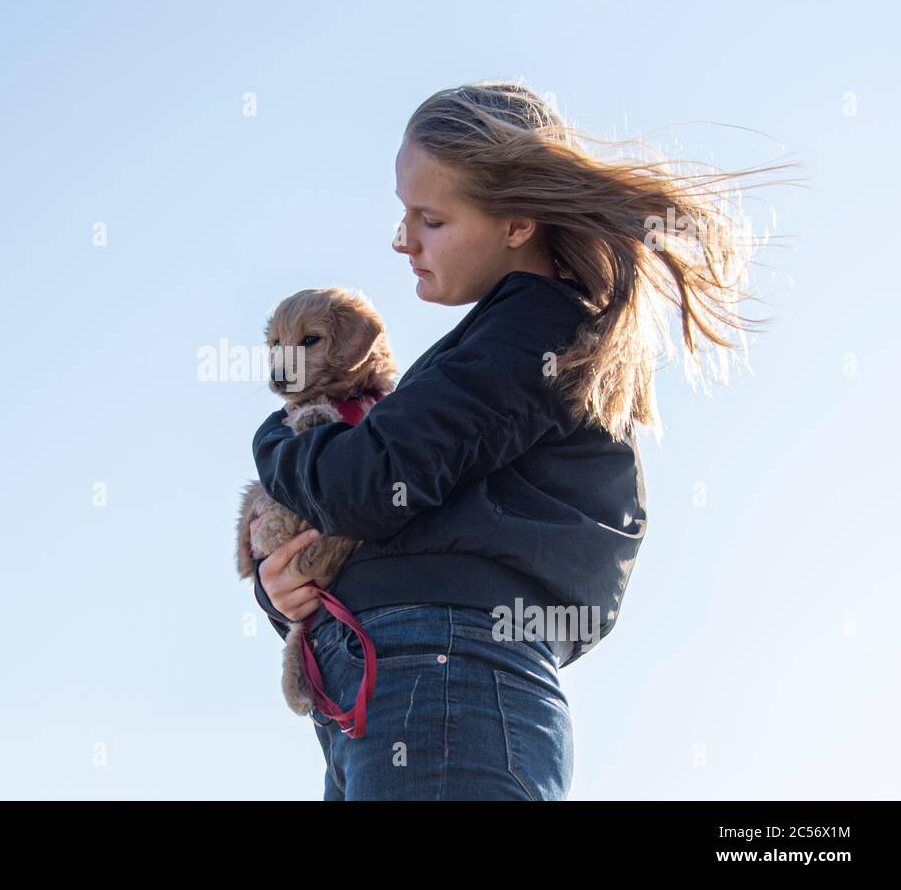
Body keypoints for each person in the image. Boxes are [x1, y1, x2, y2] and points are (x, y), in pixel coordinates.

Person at [249, 80, 794, 800]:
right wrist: (284, 590)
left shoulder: (537, 328)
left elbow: (365, 487)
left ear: (517, 221)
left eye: (431, 219)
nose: (403, 239)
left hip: (444, 689)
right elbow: (389, 520)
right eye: (403, 213)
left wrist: (277, 436)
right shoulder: (507, 339)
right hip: (407, 694)